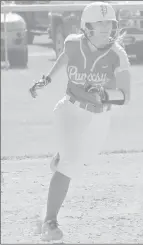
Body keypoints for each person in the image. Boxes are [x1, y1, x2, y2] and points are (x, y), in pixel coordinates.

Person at [29, 1, 131, 242]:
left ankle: (60, 158)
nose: (107, 28)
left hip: (99, 116)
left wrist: (105, 95)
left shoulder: (118, 54)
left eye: (110, 23)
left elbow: (126, 96)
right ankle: (50, 222)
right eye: (100, 23)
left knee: (80, 160)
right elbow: (64, 59)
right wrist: (46, 81)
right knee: (71, 163)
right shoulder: (74, 43)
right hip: (70, 111)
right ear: (87, 27)